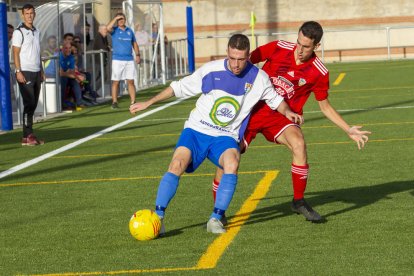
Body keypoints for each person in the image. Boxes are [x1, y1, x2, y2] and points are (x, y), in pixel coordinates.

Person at [129, 34, 303, 235]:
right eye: (232, 58)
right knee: (177, 164)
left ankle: (215, 218)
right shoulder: (211, 70)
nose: (236, 64)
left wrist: (288, 111)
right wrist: (148, 102)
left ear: (248, 57)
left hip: (225, 136)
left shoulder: (258, 78)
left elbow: (275, 99)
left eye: (241, 59)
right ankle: (158, 218)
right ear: (227, 53)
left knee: (232, 163)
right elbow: (178, 88)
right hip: (196, 130)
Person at [211, 21, 371, 223]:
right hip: (251, 112)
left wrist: (348, 129)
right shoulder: (279, 47)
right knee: (227, 156)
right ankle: (219, 210)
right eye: (298, 43)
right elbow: (245, 62)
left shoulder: (319, 72)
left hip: (282, 117)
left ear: (316, 46)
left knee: (299, 143)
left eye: (306, 46)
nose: (300, 49)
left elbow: (325, 106)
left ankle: (298, 201)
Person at [12, 4, 45, 146]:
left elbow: (38, 52)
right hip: (25, 71)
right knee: (29, 103)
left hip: (36, 71)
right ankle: (29, 134)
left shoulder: (36, 31)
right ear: (23, 15)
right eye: (27, 13)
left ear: (34, 14)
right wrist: (18, 71)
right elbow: (15, 52)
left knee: (33, 104)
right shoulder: (18, 32)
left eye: (31, 13)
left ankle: (26, 137)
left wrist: (41, 70)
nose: (29, 15)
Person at [107, 13, 141, 109]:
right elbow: (107, 28)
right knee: (116, 82)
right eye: (119, 19)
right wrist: (115, 18)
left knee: (131, 81)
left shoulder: (130, 31)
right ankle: (114, 102)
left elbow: (134, 43)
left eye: (122, 19)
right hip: (117, 60)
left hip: (129, 60)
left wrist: (137, 55)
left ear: (125, 20)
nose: (121, 21)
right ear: (117, 21)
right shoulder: (114, 30)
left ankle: (133, 101)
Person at [59, 41, 90, 109]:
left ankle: (79, 102)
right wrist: (76, 77)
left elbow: (72, 72)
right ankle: (61, 104)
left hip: (65, 75)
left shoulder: (71, 57)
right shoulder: (59, 56)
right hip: (54, 76)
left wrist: (78, 78)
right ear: (62, 49)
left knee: (75, 82)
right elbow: (60, 73)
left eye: (69, 48)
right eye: (66, 48)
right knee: (64, 79)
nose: (68, 50)